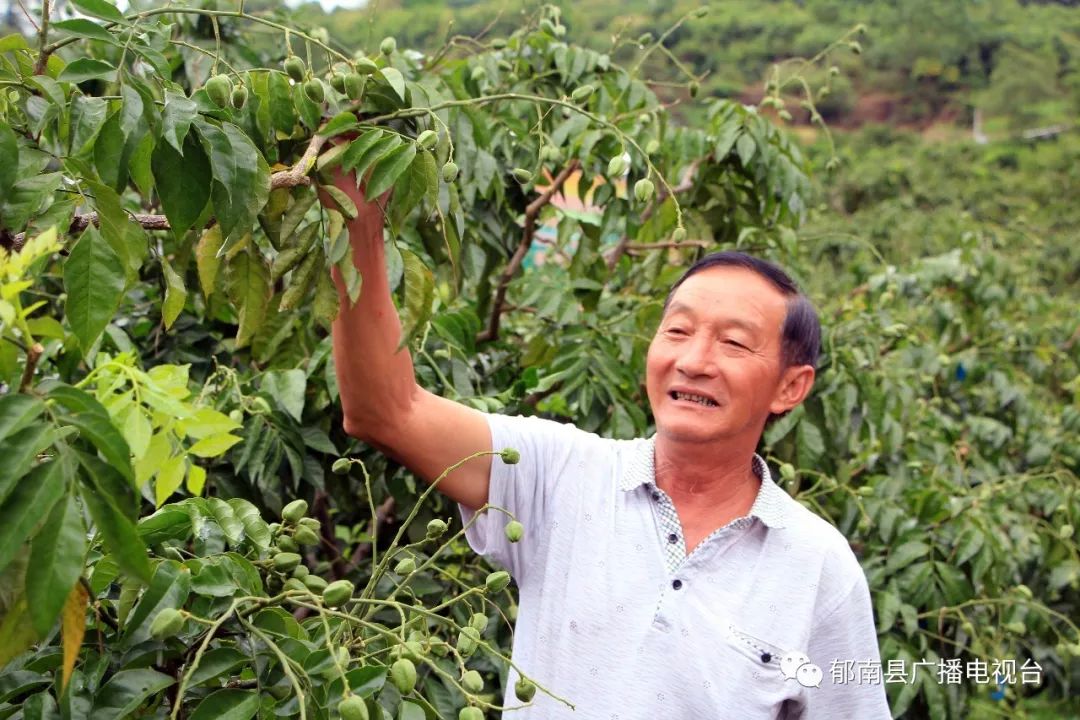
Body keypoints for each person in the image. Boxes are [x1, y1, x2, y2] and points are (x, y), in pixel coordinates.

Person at [323, 170, 891, 719]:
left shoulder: (819, 568)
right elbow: (387, 410)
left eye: (734, 343)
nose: (693, 362)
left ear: (791, 386)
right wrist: (357, 217)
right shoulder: (560, 472)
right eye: (677, 331)